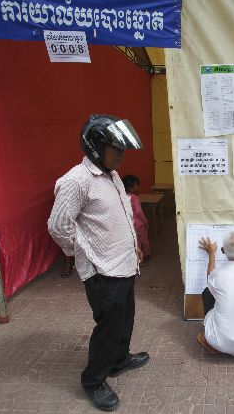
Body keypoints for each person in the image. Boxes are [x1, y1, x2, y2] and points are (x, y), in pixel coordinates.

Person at [48, 114, 149, 412]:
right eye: (116, 147)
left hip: (126, 263)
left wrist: (134, 246)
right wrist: (85, 254)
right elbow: (58, 226)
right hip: (103, 271)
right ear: (95, 146)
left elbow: (120, 217)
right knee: (108, 327)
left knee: (125, 317)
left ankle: (119, 361)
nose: (122, 153)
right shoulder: (76, 181)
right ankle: (94, 380)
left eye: (122, 148)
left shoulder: (113, 175)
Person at [122, 174, 150, 263]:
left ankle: (137, 258)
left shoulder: (122, 197)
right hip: (139, 225)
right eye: (136, 185)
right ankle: (146, 256)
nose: (138, 187)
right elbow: (139, 212)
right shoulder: (135, 198)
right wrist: (145, 222)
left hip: (128, 224)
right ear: (131, 187)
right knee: (144, 240)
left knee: (135, 241)